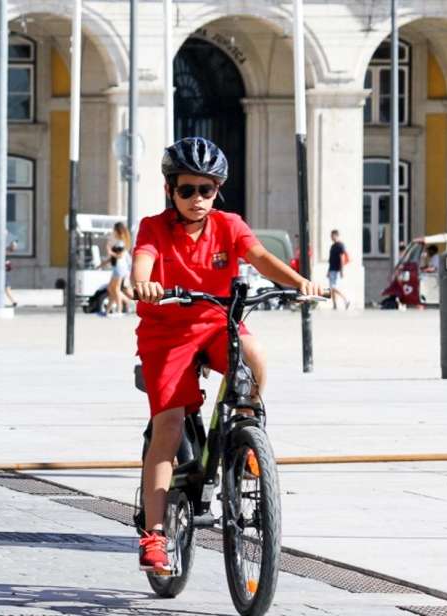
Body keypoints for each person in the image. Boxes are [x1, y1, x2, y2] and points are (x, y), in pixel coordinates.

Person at [131, 137, 323, 573]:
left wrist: (300, 282)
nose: (197, 199)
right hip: (167, 332)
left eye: (206, 190)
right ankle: (155, 536)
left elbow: (259, 257)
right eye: (187, 190)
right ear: (170, 191)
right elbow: (142, 261)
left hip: (218, 323)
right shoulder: (153, 227)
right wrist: (143, 282)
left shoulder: (229, 224)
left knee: (253, 349)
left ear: (218, 190)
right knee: (169, 425)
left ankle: (248, 428)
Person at [102, 221, 133, 316]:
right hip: (117, 267)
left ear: (118, 230)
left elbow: (119, 256)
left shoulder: (122, 242)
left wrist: (109, 251)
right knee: (111, 288)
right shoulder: (119, 241)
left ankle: (120, 309)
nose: (113, 231)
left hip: (120, 267)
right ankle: (108, 311)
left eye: (114, 230)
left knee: (115, 289)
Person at [327, 229, 352, 309]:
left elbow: (342, 258)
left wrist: (342, 270)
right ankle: (334, 305)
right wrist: (328, 271)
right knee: (332, 289)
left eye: (332, 235)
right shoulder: (332, 246)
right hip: (331, 269)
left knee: (333, 287)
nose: (331, 237)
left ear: (336, 235)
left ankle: (346, 300)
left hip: (336, 270)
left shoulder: (340, 245)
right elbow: (331, 260)